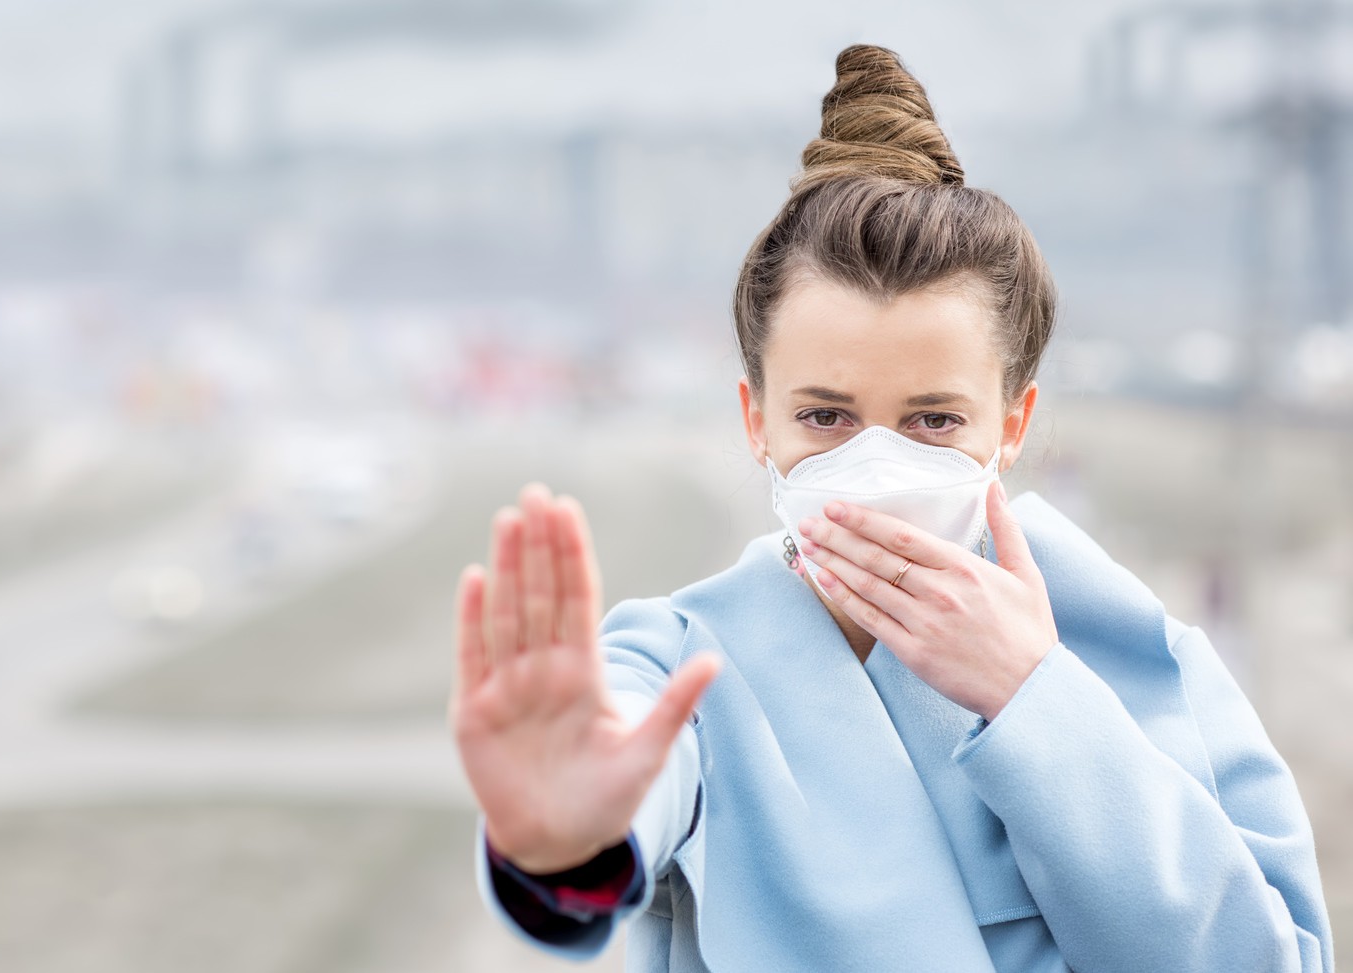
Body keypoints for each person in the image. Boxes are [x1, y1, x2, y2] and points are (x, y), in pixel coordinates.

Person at [446, 44, 1336, 973]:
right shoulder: (681, 670)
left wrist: (1034, 699)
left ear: (1014, 420)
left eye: (933, 420)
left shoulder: (1145, 658)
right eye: (825, 416)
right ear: (756, 420)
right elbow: (622, 768)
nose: (876, 464)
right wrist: (562, 846)